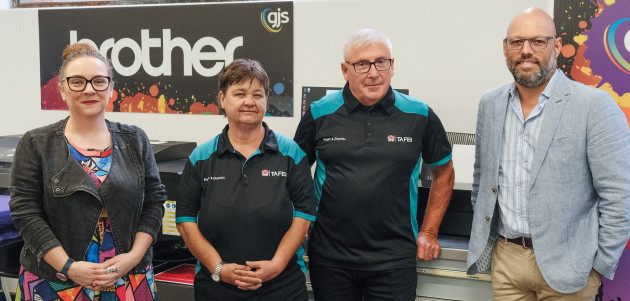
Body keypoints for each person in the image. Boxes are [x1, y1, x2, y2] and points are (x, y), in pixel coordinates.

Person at [466, 7, 630, 300]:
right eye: (516, 42)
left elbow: (620, 195)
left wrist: (599, 266)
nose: (525, 51)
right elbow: (482, 180)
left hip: (570, 268)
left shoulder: (594, 105)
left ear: (556, 46)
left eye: (537, 41)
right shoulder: (490, 104)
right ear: (505, 48)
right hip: (506, 261)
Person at [294, 29, 455, 300]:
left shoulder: (419, 114)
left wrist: (428, 231)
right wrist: (297, 226)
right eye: (362, 64)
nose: (373, 72)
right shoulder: (319, 113)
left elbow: (444, 173)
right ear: (345, 70)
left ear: (393, 67)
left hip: (394, 260)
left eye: (382, 62)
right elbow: (294, 175)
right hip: (330, 258)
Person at [9, 43, 167, 300]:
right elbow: (27, 213)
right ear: (62, 89)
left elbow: (154, 203)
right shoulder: (36, 143)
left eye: (98, 81)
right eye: (77, 82)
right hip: (56, 280)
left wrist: (132, 258)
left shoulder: (136, 140)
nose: (89, 89)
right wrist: (68, 267)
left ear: (111, 89)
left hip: (128, 277)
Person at [175, 59, 316, 300]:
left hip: (282, 286)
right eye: (240, 93)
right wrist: (218, 268)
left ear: (266, 100)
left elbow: (304, 215)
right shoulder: (200, 158)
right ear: (222, 98)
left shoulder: (291, 153)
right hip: (217, 287)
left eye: (257, 95)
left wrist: (277, 265)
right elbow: (185, 221)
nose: (249, 102)